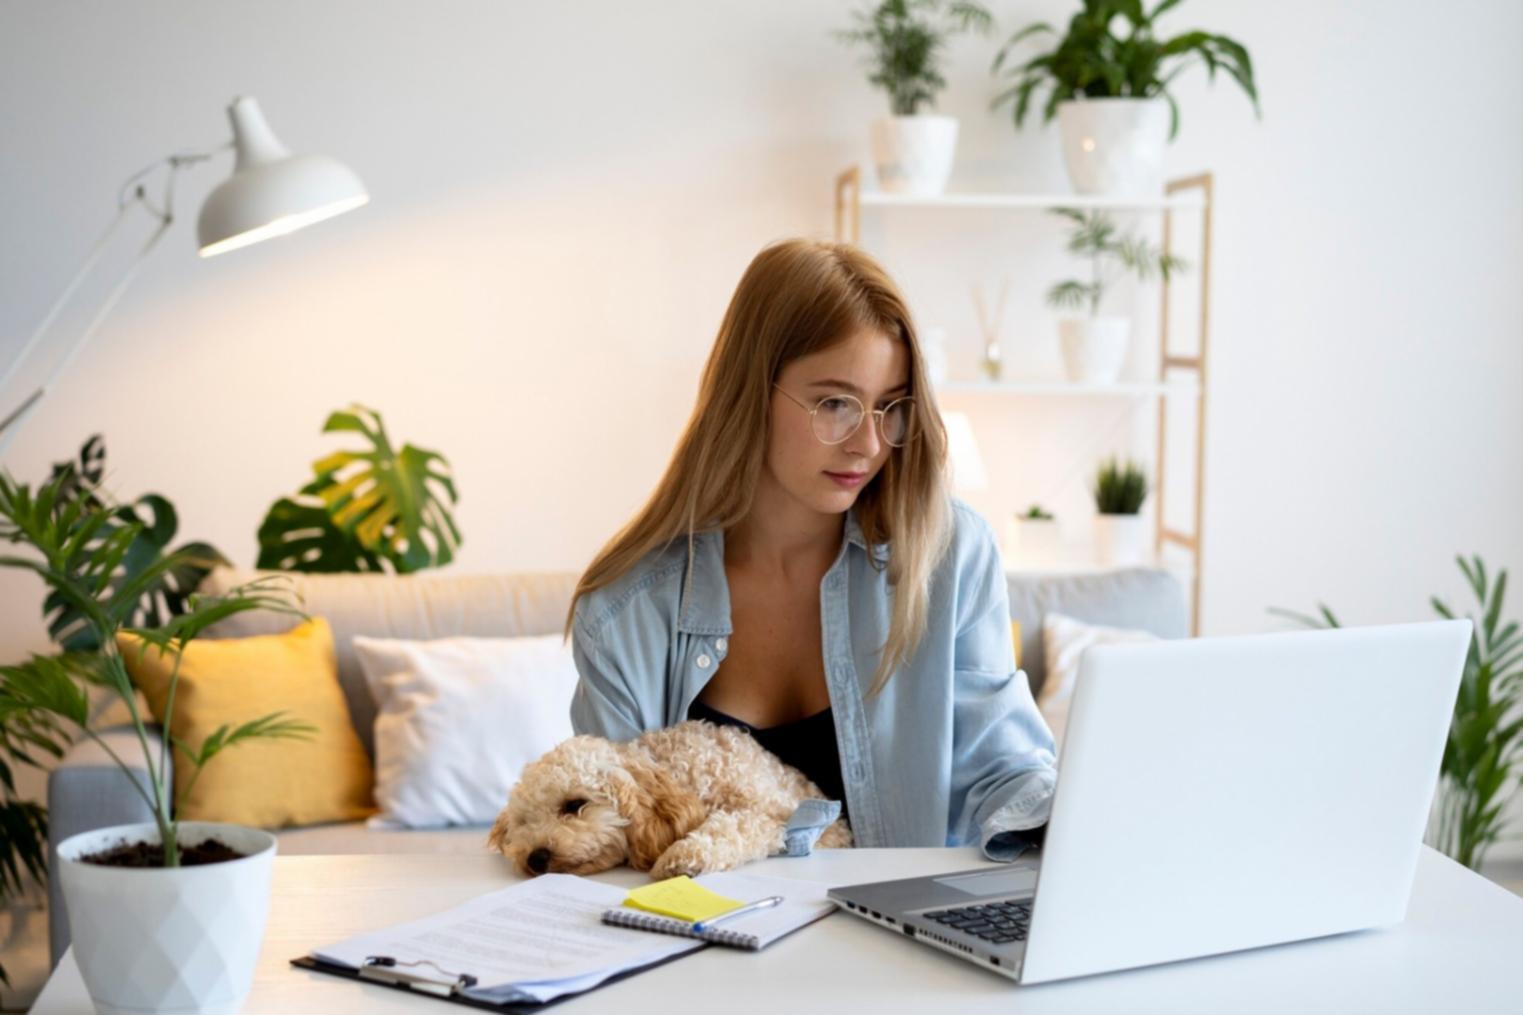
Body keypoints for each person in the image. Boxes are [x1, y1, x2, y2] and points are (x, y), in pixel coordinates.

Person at [564, 238, 1056, 860]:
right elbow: (613, 841)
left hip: (902, 921)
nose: (869, 445)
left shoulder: (949, 555)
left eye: (889, 407)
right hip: (706, 925)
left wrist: (1073, 815)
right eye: (835, 404)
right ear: (751, 392)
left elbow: (1004, 770)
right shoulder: (624, 611)